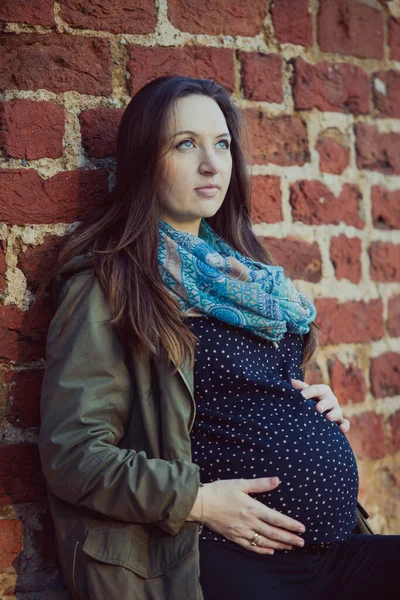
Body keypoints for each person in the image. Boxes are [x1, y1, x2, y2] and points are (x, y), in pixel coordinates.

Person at [37, 75, 399, 600]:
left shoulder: (243, 276)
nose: (212, 164)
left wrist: (306, 401)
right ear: (145, 161)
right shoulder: (110, 286)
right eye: (186, 144)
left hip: (335, 548)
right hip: (219, 560)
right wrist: (199, 501)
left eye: (222, 144)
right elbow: (74, 455)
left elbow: (243, 393)